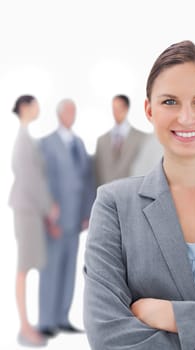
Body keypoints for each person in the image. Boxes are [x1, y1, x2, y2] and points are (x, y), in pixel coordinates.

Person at [83, 40, 195, 349]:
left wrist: (172, 314)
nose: (187, 117)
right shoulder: (114, 205)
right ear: (149, 110)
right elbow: (106, 334)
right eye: (170, 102)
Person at [38, 99, 94, 337]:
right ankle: (46, 321)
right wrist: (48, 213)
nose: (71, 115)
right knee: (50, 270)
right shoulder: (46, 144)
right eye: (68, 111)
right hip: (54, 219)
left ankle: (62, 317)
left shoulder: (79, 143)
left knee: (70, 270)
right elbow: (41, 181)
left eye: (74, 111)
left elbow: (86, 180)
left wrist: (86, 213)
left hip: (75, 220)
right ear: (59, 114)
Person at [8, 95, 59, 347]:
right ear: (25, 107)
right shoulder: (23, 140)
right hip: (27, 210)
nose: (39, 108)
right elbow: (31, 180)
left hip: (29, 210)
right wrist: (49, 207)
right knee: (23, 268)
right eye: (36, 104)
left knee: (26, 267)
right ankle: (25, 326)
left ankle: (27, 324)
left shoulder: (26, 138)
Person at [94, 94, 148, 186]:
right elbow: (97, 173)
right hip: (107, 195)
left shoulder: (141, 139)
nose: (115, 112)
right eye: (113, 108)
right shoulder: (102, 141)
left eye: (119, 108)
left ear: (126, 109)